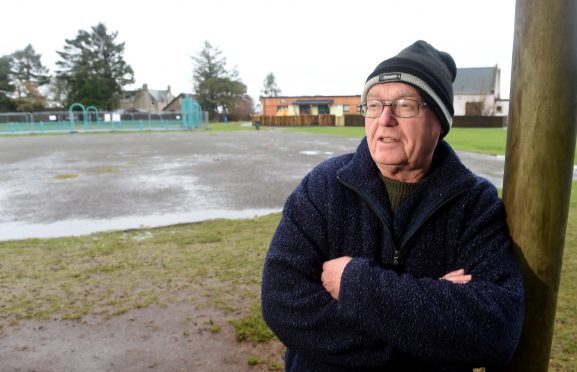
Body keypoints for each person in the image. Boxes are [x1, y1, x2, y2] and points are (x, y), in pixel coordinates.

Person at [261, 40, 524, 371]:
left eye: (404, 105)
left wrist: (355, 283)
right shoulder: (324, 186)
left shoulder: (474, 204)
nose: (384, 119)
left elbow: (496, 330)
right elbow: (283, 303)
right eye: (373, 104)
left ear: (439, 122)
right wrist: (426, 321)